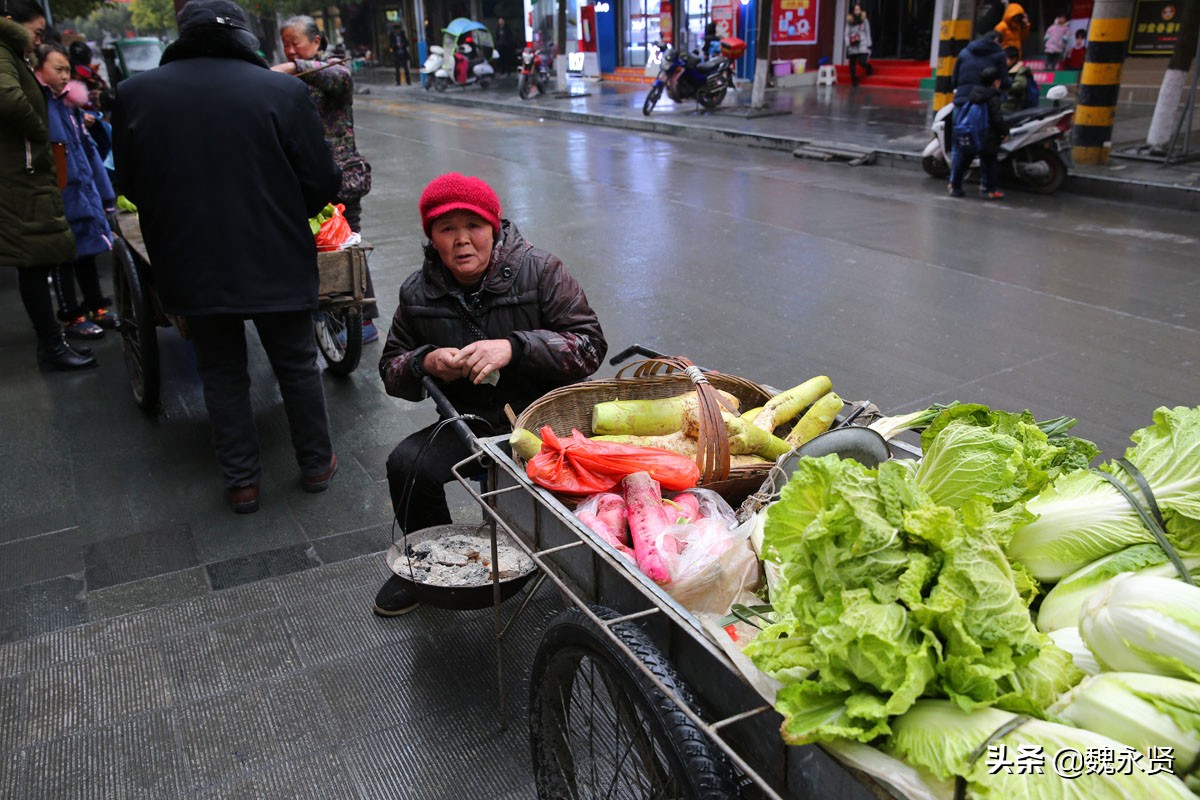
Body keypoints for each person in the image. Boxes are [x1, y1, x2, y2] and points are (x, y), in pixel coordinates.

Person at [112, 0, 342, 513]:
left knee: (220, 372)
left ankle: (243, 484)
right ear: (242, 35)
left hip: (190, 258)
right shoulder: (282, 90)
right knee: (296, 363)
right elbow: (323, 181)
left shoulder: (135, 93)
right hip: (275, 251)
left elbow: (129, 184)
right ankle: (315, 463)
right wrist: (282, 212)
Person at [373, 173, 607, 616]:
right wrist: (425, 362)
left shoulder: (541, 271)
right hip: (468, 422)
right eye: (447, 230)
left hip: (545, 421)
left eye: (473, 227)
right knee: (406, 464)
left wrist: (515, 348)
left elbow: (589, 346)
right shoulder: (417, 291)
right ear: (433, 238)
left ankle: (568, 565)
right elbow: (391, 370)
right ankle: (428, 565)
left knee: (563, 493)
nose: (463, 241)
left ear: (494, 228)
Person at [273, 15, 381, 344]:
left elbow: (339, 77)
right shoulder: (287, 84)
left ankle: (363, 319)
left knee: (349, 246)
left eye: (296, 43)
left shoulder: (332, 71)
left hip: (342, 178)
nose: (290, 50)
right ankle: (325, 310)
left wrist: (292, 68)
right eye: (286, 45)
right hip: (300, 180)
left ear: (316, 42)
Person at [0, 0, 94, 370]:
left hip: (22, 173)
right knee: (34, 262)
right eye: (36, 31)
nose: (39, 39)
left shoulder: (12, 52)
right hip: (19, 176)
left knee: (37, 261)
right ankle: (51, 347)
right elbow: (7, 99)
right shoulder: (4, 53)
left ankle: (53, 344)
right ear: (12, 22)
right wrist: (40, 135)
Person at [34, 43, 120, 343]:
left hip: (83, 191)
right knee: (64, 258)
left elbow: (89, 153)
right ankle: (72, 316)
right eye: (57, 69)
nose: (64, 75)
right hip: (60, 195)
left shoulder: (70, 107)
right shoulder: (39, 105)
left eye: (66, 69)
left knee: (88, 252)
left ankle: (97, 306)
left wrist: (105, 195)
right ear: (38, 70)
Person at [949, 66, 1009, 200]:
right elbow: (997, 118)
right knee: (990, 164)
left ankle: (955, 186)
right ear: (995, 82)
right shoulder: (993, 97)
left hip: (972, 132)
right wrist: (1004, 132)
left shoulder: (974, 93)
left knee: (964, 161)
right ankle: (990, 190)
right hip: (988, 135)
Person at [844, 4, 873, 87]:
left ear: (861, 10)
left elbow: (868, 32)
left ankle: (868, 68)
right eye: (855, 10)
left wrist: (869, 44)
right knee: (852, 63)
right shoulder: (849, 21)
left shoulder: (864, 20)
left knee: (862, 62)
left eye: (858, 9)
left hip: (862, 42)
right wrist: (847, 44)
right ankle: (854, 80)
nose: (857, 11)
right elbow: (846, 33)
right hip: (852, 43)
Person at [1001, 45, 1036, 112]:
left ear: (1014, 59)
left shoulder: (1021, 70)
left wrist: (1002, 86)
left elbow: (1020, 85)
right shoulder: (1007, 69)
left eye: (1006, 59)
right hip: (1007, 104)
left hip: (1015, 106)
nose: (1003, 61)